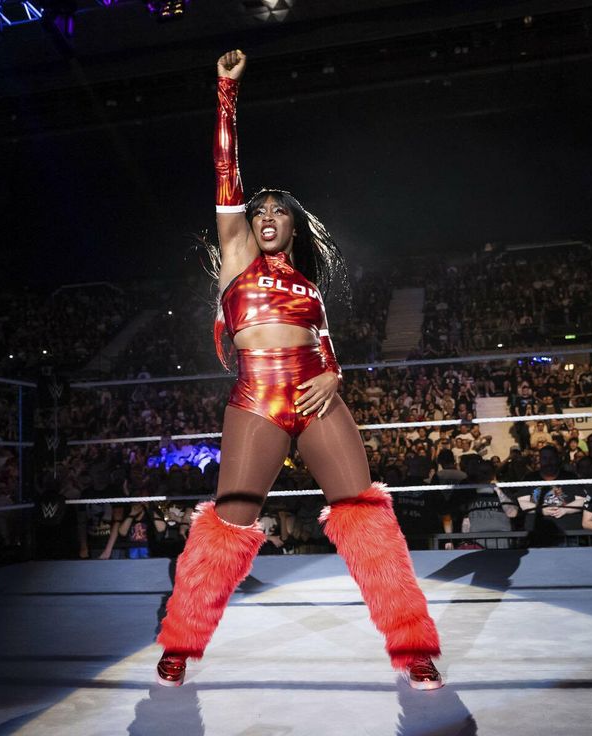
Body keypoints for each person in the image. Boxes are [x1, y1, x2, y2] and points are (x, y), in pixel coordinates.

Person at [155, 50, 442, 691]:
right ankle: (179, 643)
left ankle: (413, 647)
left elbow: (323, 337)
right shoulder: (235, 259)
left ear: (292, 224)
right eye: (256, 211)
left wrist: (336, 374)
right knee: (231, 516)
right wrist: (225, 93)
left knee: (364, 512)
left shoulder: (309, 284)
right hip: (256, 393)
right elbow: (226, 175)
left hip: (316, 395)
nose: (263, 216)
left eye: (276, 210)